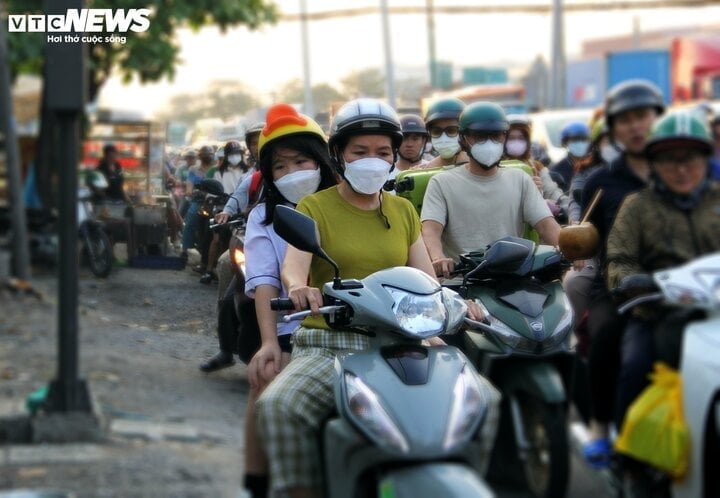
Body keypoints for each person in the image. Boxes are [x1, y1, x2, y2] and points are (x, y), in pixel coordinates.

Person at [255, 98, 491, 498]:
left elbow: (425, 276)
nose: (372, 161)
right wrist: (298, 288)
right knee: (278, 405)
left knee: (487, 399)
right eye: (359, 152)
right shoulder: (315, 206)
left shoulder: (402, 211)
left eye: (382, 152)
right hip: (331, 342)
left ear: (394, 155)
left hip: (403, 339)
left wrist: (454, 302)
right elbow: (293, 267)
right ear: (339, 155)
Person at [606, 111, 720, 495]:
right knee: (634, 367)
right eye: (671, 158)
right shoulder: (636, 207)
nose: (682, 168)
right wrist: (631, 283)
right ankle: (633, 463)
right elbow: (618, 260)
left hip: (716, 315)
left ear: (706, 159)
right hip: (658, 313)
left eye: (691, 157)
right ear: (654, 163)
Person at [228, 105, 339, 498]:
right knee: (263, 384)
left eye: (301, 161)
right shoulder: (264, 216)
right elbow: (264, 283)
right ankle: (255, 484)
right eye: (280, 166)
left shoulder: (355, 202)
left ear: (322, 159)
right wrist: (270, 343)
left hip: (363, 325)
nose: (291, 173)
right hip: (298, 328)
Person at [577, 79, 665, 469]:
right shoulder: (600, 181)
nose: (636, 126)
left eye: (642, 116)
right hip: (615, 287)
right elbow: (588, 236)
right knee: (608, 335)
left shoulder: (683, 168)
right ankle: (600, 426)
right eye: (625, 120)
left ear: (658, 118)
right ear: (613, 129)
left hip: (681, 283)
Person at [421, 101, 560, 279]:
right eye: (480, 136)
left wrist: (570, 249)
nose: (489, 143)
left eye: (496, 136)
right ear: (463, 139)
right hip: (461, 284)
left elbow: (547, 226)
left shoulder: (520, 179)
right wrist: (438, 258)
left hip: (513, 279)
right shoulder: (441, 183)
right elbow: (431, 230)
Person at [503, 114, 570, 219]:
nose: (516, 142)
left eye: (521, 138)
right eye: (511, 138)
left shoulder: (536, 167)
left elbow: (552, 192)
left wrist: (566, 205)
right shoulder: (496, 167)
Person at [200, 141, 247, 284]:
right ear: (226, 156)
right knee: (216, 239)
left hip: (242, 212)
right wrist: (215, 199)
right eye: (232, 154)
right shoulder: (219, 172)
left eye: (237, 153)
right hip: (222, 209)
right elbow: (211, 193)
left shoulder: (248, 172)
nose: (235, 157)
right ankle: (208, 270)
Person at [180, 145, 214, 260]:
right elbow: (190, 183)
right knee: (191, 216)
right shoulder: (194, 169)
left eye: (209, 154)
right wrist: (189, 191)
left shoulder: (216, 169)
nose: (207, 156)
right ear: (200, 156)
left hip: (213, 200)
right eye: (204, 155)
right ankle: (184, 249)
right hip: (198, 199)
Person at [423, 97, 469, 169]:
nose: (444, 138)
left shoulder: (482, 168)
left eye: (451, 130)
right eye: (436, 131)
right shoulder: (425, 171)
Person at [550, 122, 592, 193]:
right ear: (565, 142)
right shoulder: (556, 171)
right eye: (575, 139)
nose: (580, 143)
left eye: (583, 139)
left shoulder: (597, 165)